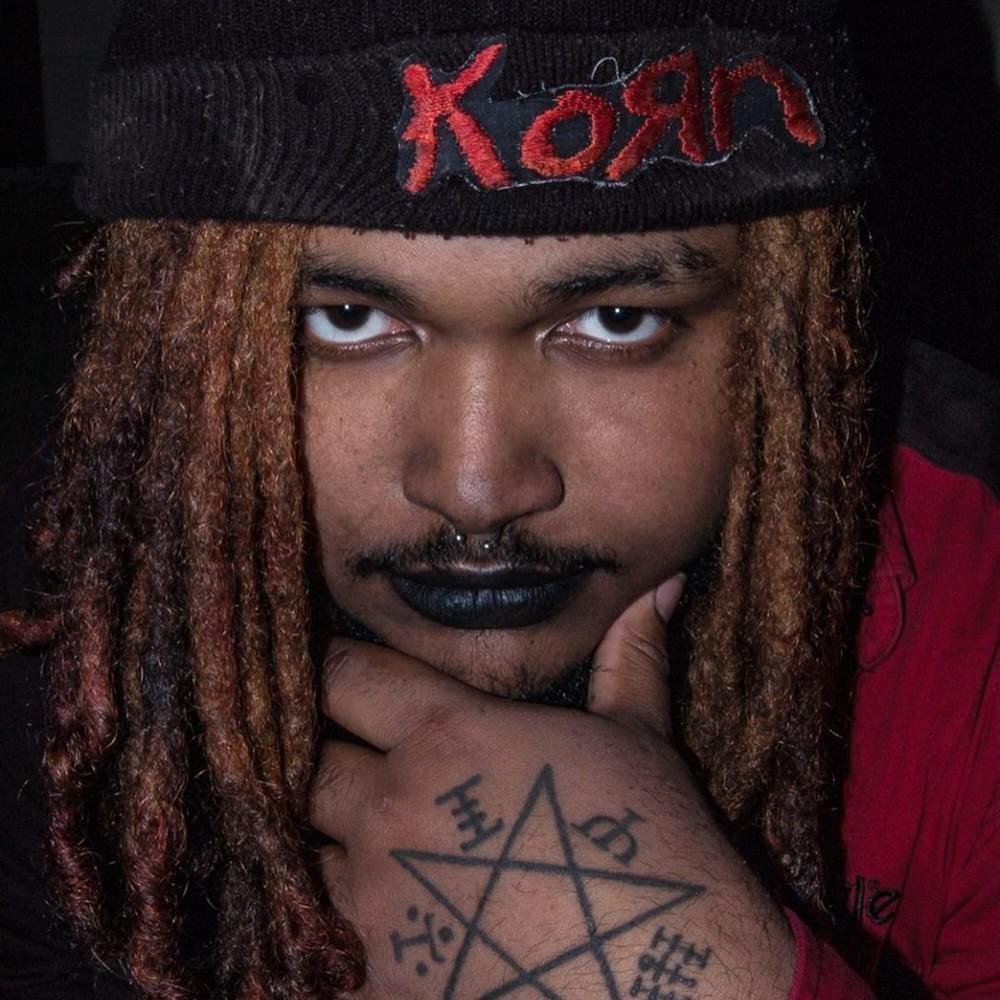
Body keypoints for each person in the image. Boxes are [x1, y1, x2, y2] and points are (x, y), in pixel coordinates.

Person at [1, 1, 996, 998]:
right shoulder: (65, 636)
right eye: (346, 320)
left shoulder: (975, 623)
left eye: (616, 320)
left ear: (789, 322)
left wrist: (712, 976)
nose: (476, 490)